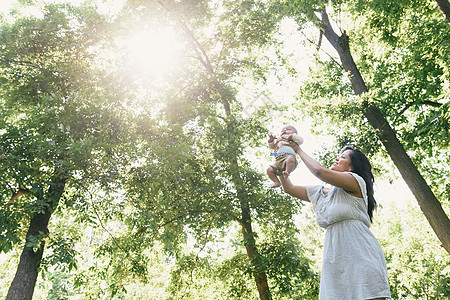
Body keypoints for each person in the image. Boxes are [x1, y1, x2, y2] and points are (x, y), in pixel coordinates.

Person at [278, 140, 391, 300]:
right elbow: (289, 188)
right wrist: (279, 163)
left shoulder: (355, 182)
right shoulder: (319, 193)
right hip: (335, 264)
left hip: (362, 258)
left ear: (352, 167)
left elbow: (319, 172)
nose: (337, 159)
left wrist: (298, 149)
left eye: (343, 157)